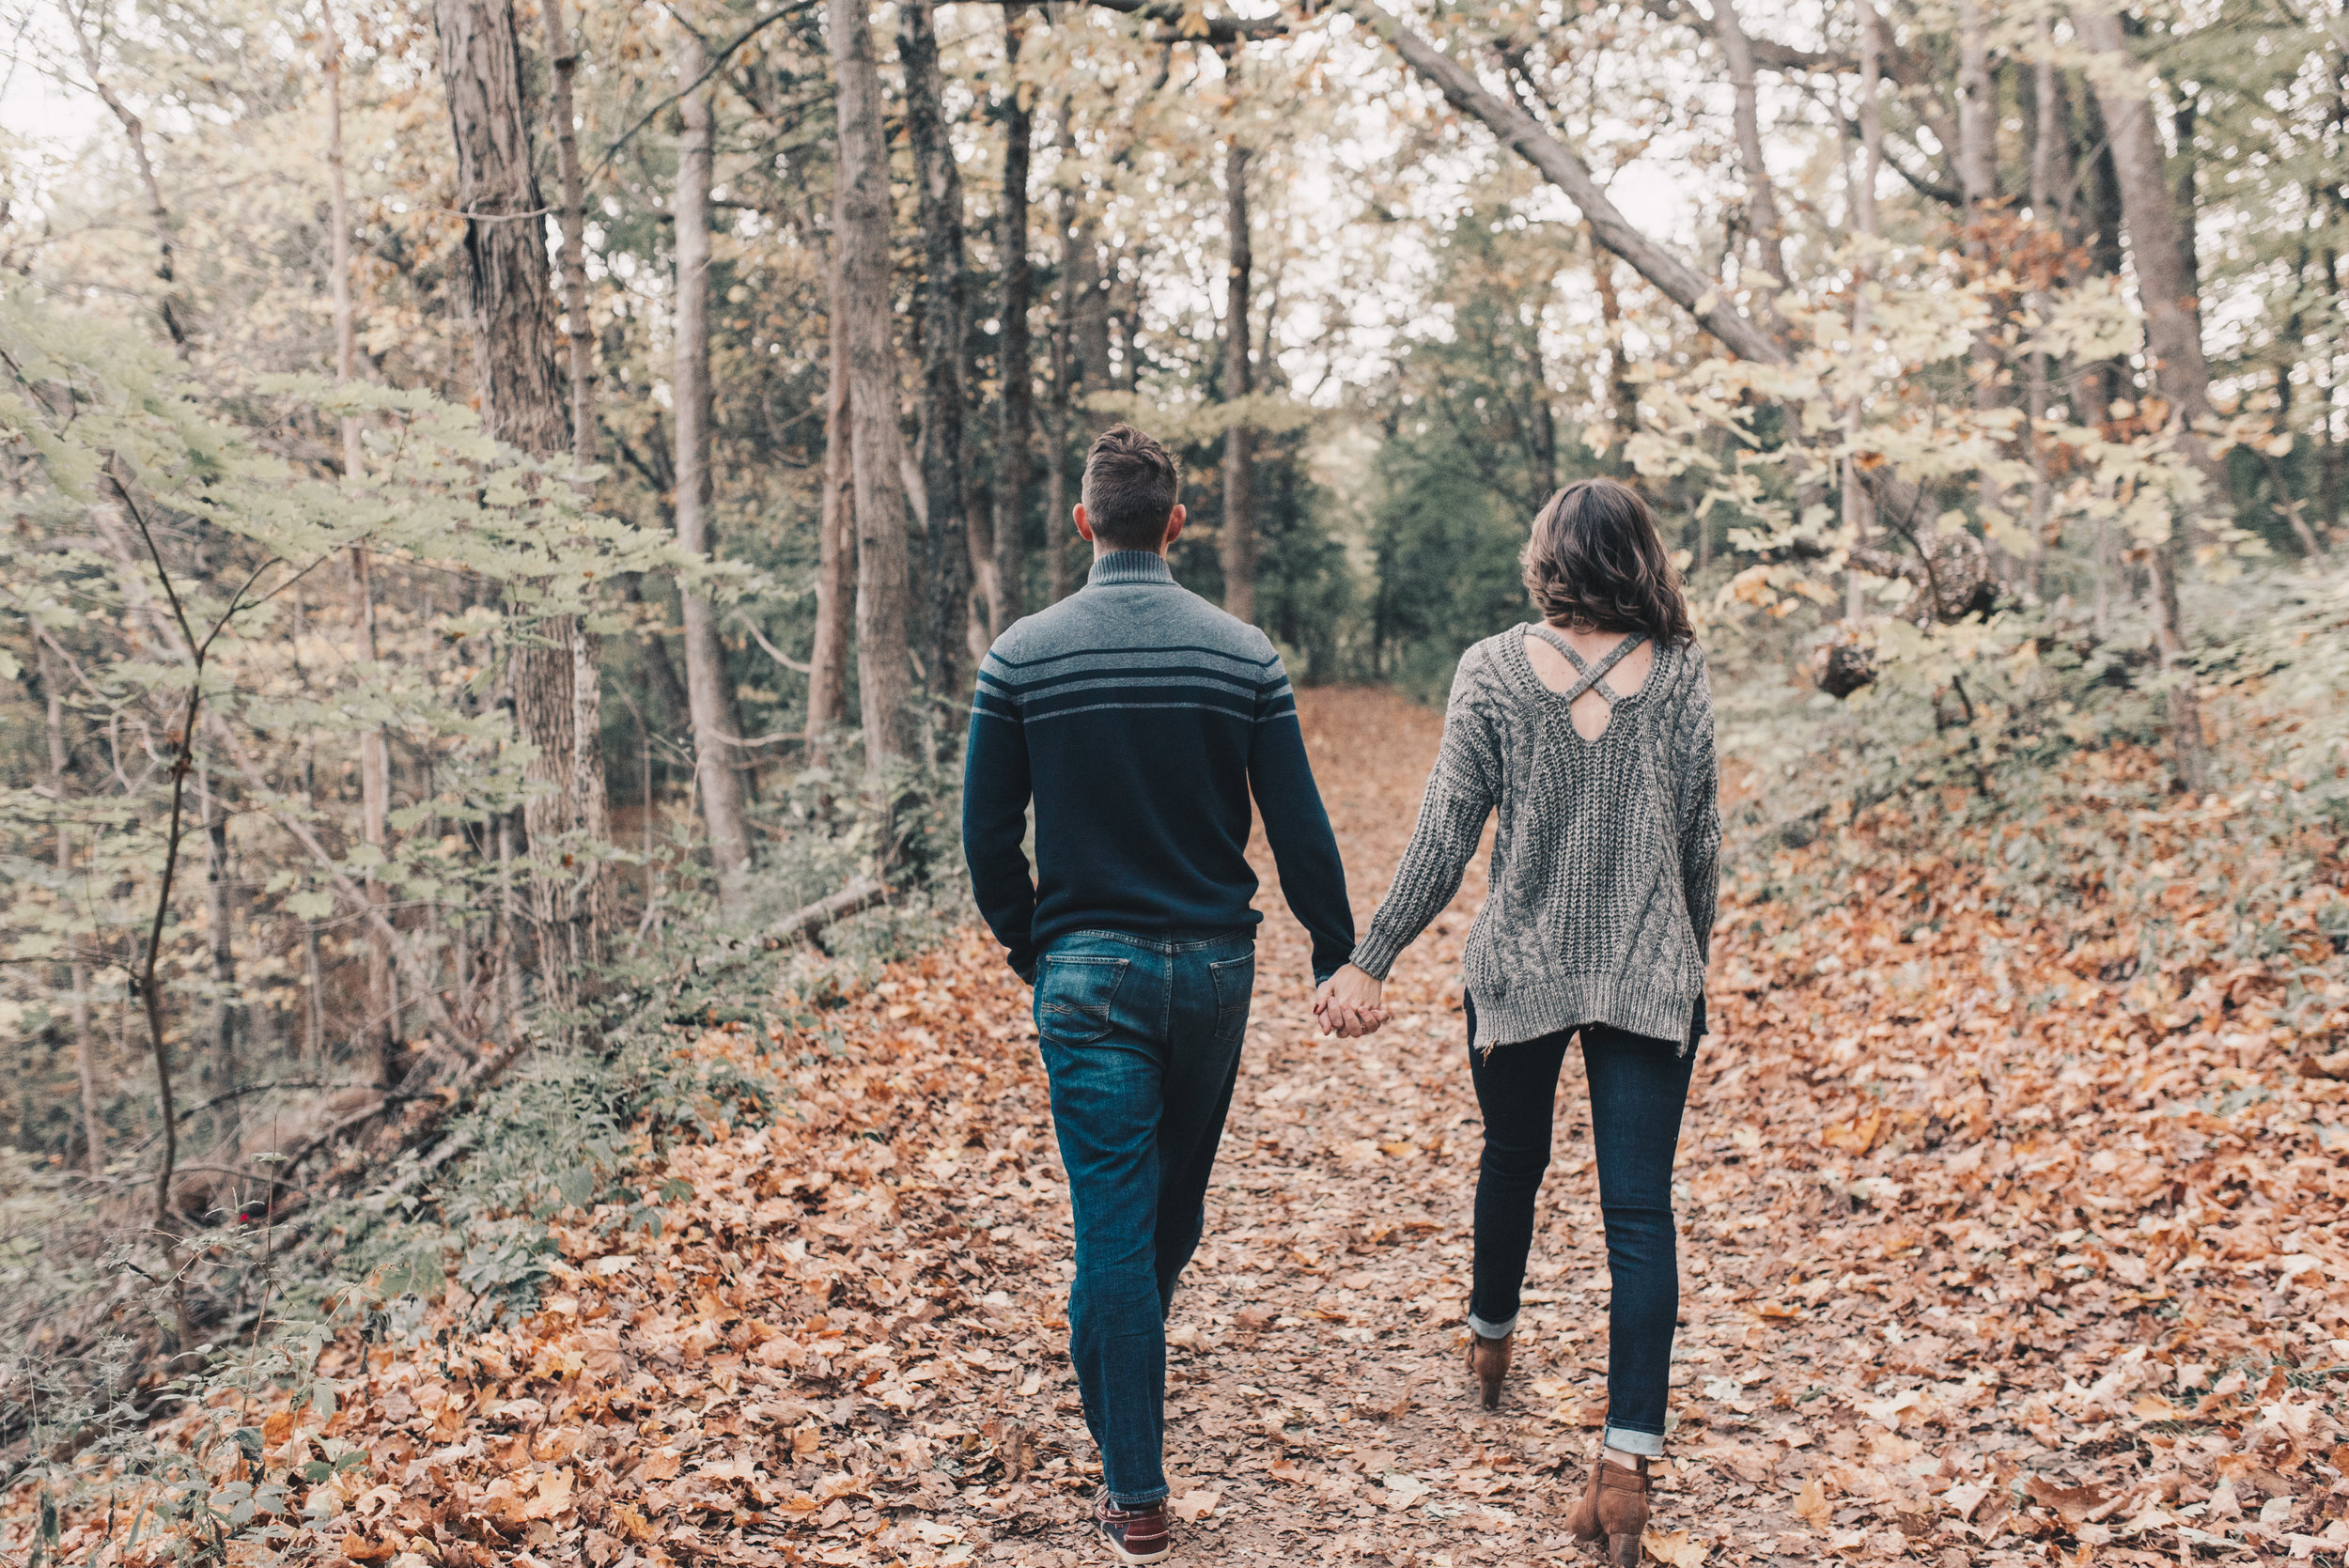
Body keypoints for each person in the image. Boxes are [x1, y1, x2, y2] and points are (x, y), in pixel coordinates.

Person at [963, 424, 1370, 1565]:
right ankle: (1135, 1491)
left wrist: (1028, 947)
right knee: (1144, 1223)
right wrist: (1333, 947)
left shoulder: (1023, 655)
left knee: (1139, 1229)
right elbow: (1298, 823)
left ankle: (1112, 1352)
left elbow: (986, 836)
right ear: (1176, 524)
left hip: (1096, 969)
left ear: (1086, 523)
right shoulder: (1238, 653)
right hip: (1208, 973)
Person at [1316, 477, 1720, 1566]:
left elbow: (1444, 831)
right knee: (1638, 1214)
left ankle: (1490, 1339)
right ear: (1641, 558)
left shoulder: (1492, 668)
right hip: (1649, 978)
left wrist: (1371, 956)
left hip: (1521, 971)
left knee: (1513, 1158)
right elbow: (1700, 847)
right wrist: (1691, 972)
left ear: (1547, 560)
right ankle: (1624, 1462)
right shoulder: (1679, 672)